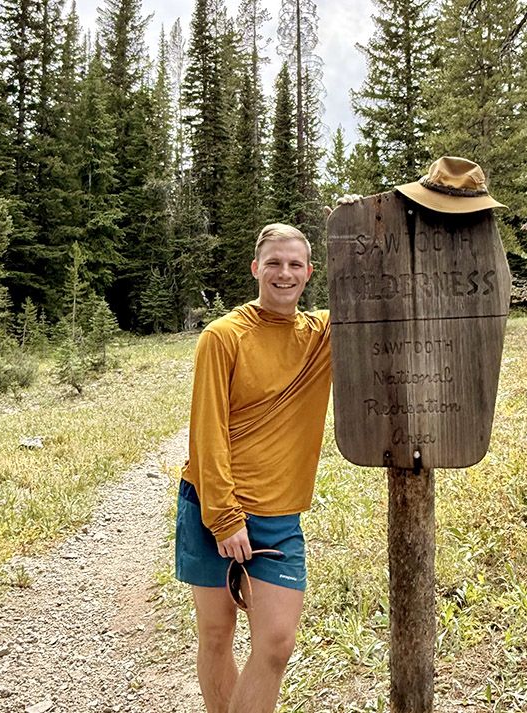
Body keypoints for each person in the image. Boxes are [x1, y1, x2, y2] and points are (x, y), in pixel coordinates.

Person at [175, 222, 332, 713]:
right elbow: (207, 431)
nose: (283, 274)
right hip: (212, 506)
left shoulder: (323, 335)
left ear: (308, 272)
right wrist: (224, 516)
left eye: (293, 265)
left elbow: (386, 294)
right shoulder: (223, 336)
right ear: (256, 269)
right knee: (217, 634)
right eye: (273, 264)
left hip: (279, 518)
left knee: (276, 644)